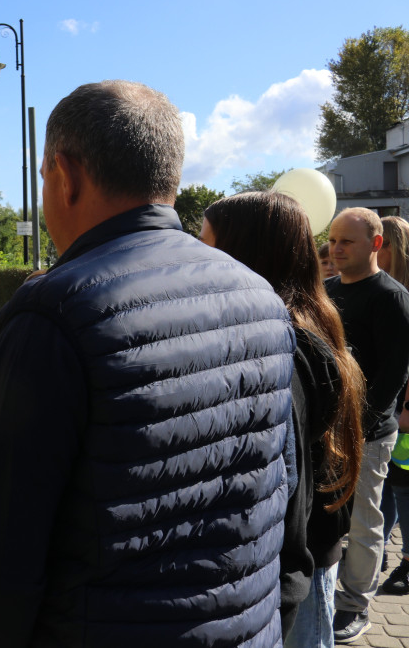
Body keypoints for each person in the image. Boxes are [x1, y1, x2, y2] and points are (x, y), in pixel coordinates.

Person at [0, 81, 295, 647]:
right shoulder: (262, 299)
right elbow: (280, 492)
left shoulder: (52, 313)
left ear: (65, 175)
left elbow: (0, 554)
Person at [202, 191, 365, 646]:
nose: (197, 258)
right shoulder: (305, 322)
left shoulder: (285, 344)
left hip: (296, 561)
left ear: (244, 254)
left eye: (208, 246)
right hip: (303, 552)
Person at [325, 208, 409, 643]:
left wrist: (360, 426)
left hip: (367, 436)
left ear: (376, 244)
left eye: (347, 242)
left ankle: (356, 605)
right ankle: (325, 592)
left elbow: (393, 374)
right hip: (325, 430)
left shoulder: (390, 296)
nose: (336, 249)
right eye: (333, 240)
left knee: (362, 521)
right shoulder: (326, 290)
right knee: (326, 516)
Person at [377, 215, 409, 596]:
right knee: (387, 486)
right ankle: (379, 547)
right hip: (389, 405)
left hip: (403, 409)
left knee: (402, 486)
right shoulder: (380, 287)